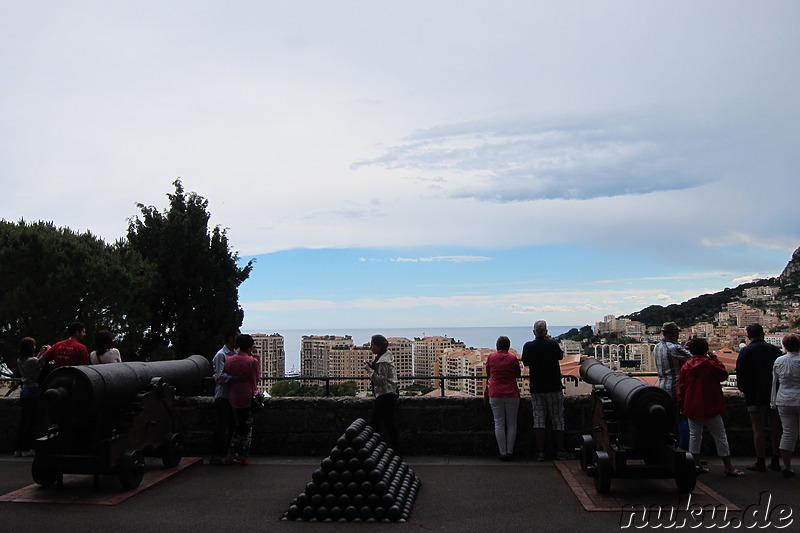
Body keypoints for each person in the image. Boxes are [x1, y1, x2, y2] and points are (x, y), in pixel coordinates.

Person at [677, 338, 744, 477]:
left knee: (695, 436)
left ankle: (696, 464)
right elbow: (723, 375)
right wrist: (716, 360)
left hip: (692, 405)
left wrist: (682, 403)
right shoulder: (709, 364)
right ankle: (728, 466)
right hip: (710, 404)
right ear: (705, 350)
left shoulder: (686, 366)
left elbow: (681, 388)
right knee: (720, 436)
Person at [736, 323, 783, 472]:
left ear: (749, 336)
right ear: (763, 334)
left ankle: (760, 461)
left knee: (758, 429)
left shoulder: (746, 351)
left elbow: (741, 375)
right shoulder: (775, 350)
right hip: (774, 394)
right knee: (776, 429)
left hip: (755, 394)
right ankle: (776, 460)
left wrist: (744, 389)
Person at [521, 320, 569, 461]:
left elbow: (526, 362)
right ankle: (560, 450)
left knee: (539, 420)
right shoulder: (552, 344)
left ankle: (540, 452)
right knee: (558, 419)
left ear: (534, 332)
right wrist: (550, 340)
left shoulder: (528, 346)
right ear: (546, 332)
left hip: (537, 387)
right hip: (554, 386)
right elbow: (560, 356)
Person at [223, 334, 261, 466]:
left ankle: (230, 454)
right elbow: (256, 378)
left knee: (235, 427)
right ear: (250, 347)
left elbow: (226, 376)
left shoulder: (229, 360)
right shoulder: (252, 362)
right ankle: (244, 456)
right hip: (247, 397)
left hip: (233, 398)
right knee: (247, 428)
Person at [654, 322, 691, 449]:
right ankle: (684, 450)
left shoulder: (657, 347)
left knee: (669, 422)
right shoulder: (675, 348)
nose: (678, 335)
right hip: (676, 389)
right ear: (673, 333)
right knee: (682, 421)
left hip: (663, 388)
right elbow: (694, 359)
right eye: (677, 333)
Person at [484, 336, 521, 461]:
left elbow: (488, 373)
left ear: (497, 346)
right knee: (512, 424)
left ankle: (502, 452)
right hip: (512, 393)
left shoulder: (491, 357)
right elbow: (518, 374)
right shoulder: (512, 358)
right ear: (508, 346)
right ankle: (510, 452)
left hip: (495, 393)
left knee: (498, 423)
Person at [771, 333, 800, 478]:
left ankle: (787, 466)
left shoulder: (779, 360)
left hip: (783, 399)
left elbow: (774, 382)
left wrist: (773, 401)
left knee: (787, 433)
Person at [364, 334, 400, 453]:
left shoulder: (382, 361)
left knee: (375, 423)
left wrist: (369, 370)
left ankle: (372, 450)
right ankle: (395, 449)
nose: (371, 348)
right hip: (389, 393)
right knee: (387, 423)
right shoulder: (383, 357)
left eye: (373, 345)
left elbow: (381, 380)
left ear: (379, 346)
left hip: (385, 395)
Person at [210, 329, 239, 465]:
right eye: (237, 338)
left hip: (232, 395)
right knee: (221, 426)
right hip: (223, 395)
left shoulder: (235, 354)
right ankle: (216, 454)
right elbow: (220, 374)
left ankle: (229, 453)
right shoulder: (221, 355)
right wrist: (237, 379)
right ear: (230, 339)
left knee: (232, 425)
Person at [14, 337, 46, 457]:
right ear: (29, 348)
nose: (34, 347)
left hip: (25, 391)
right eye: (33, 346)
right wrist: (45, 352)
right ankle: (28, 448)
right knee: (31, 422)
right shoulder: (32, 361)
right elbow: (40, 363)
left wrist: (40, 353)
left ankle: (18, 448)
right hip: (34, 391)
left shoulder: (20, 360)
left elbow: (35, 361)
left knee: (23, 421)